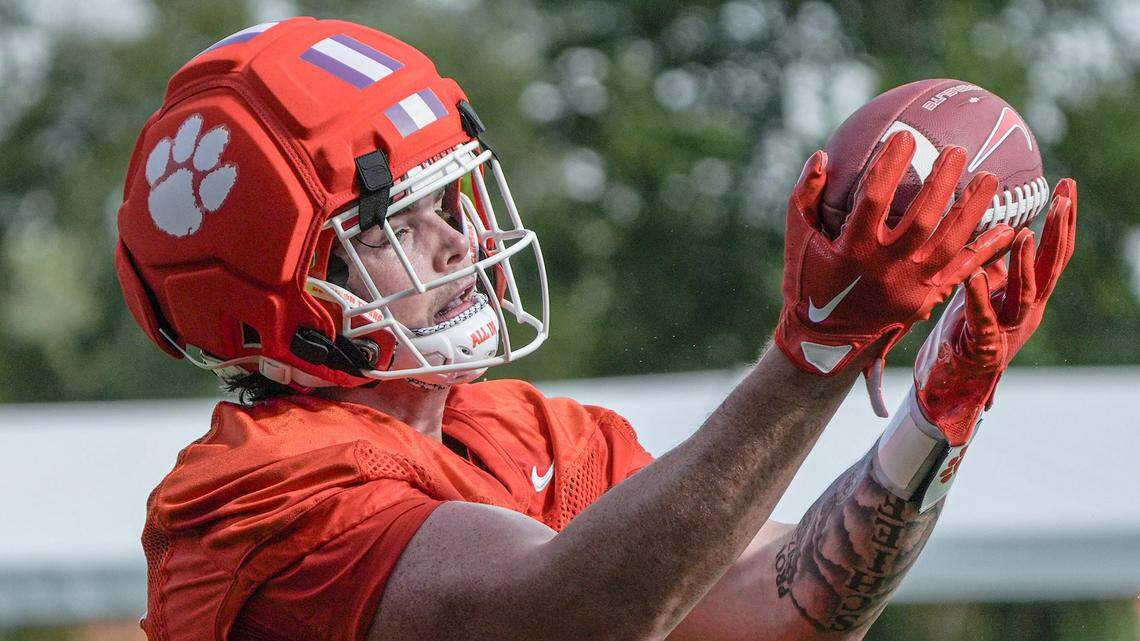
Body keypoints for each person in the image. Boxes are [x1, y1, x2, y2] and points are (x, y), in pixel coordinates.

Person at [115, 17, 1078, 641]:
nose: (457, 240)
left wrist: (940, 408)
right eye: (392, 225)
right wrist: (811, 359)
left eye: (451, 194)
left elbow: (794, 599)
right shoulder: (249, 492)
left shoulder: (529, 435)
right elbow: (570, 613)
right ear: (276, 294)